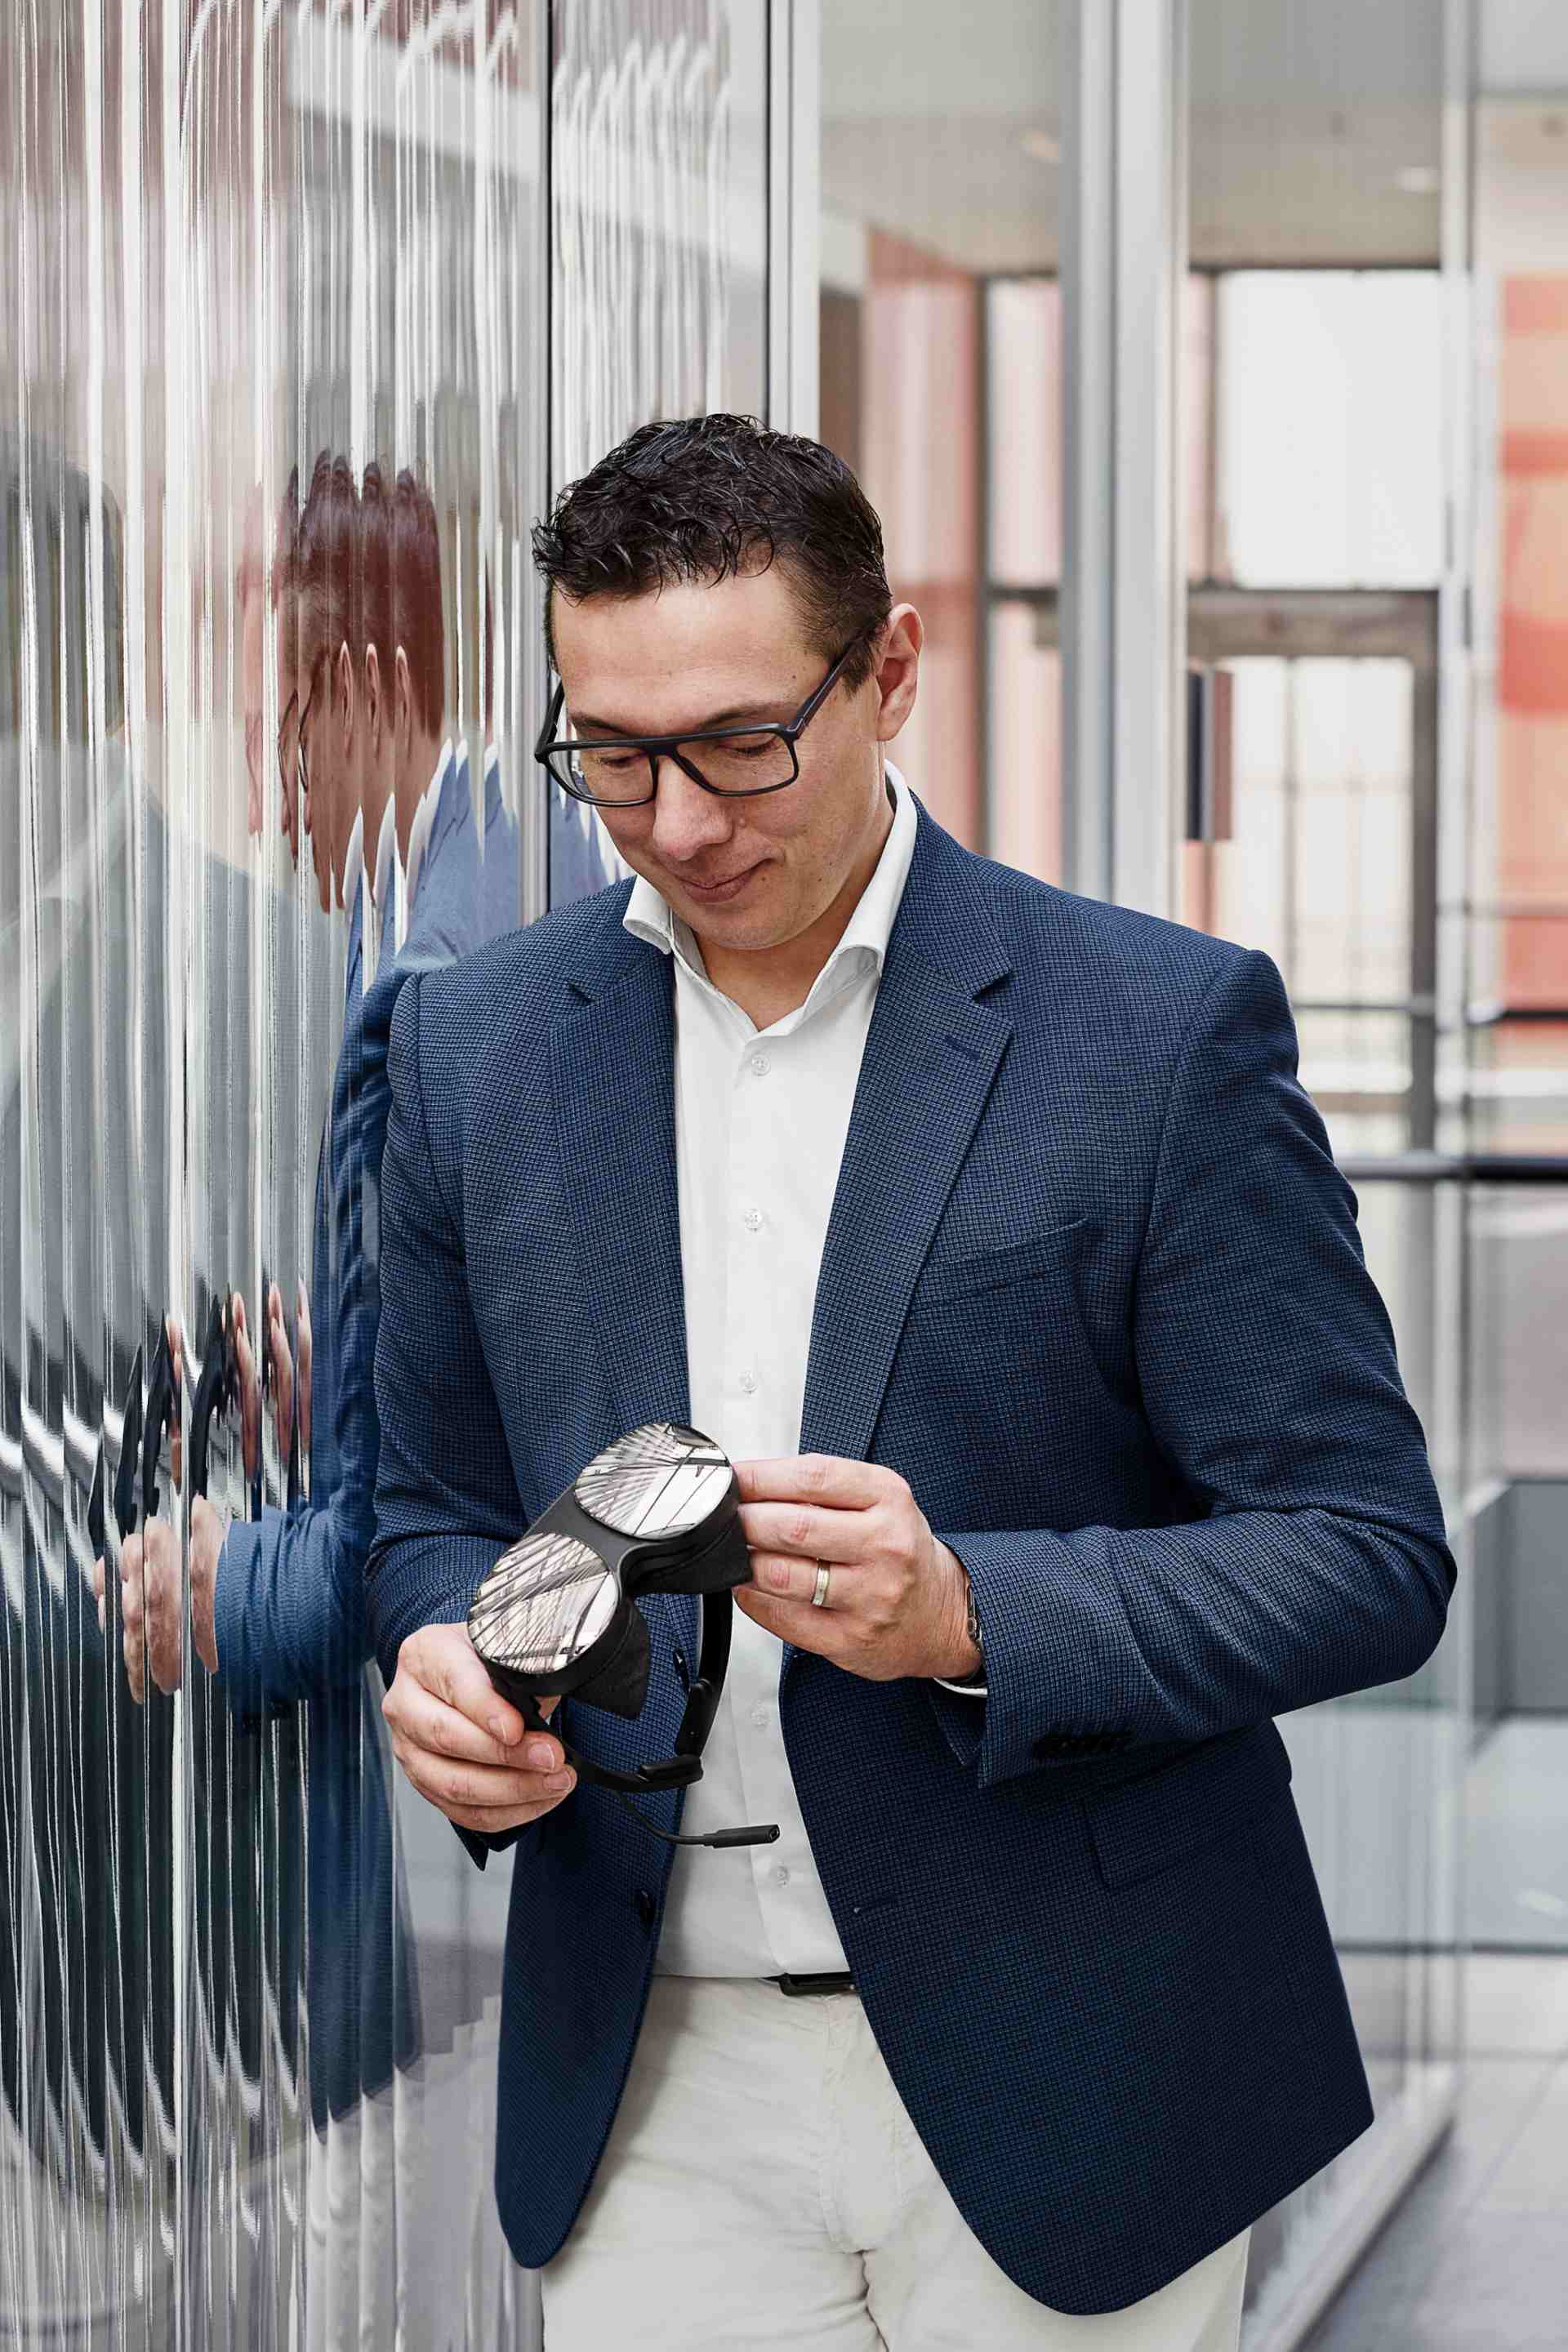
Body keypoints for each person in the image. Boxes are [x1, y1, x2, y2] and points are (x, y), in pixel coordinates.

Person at [365, 412, 1456, 2352]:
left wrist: (974, 1615)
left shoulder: (1159, 1033)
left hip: (1076, 2062)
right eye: (611, 758)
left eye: (737, 746)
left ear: (892, 671)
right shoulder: (475, 1054)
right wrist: (453, 1661)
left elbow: (1365, 1547)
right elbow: (426, 1510)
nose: (680, 821)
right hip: (643, 2085)